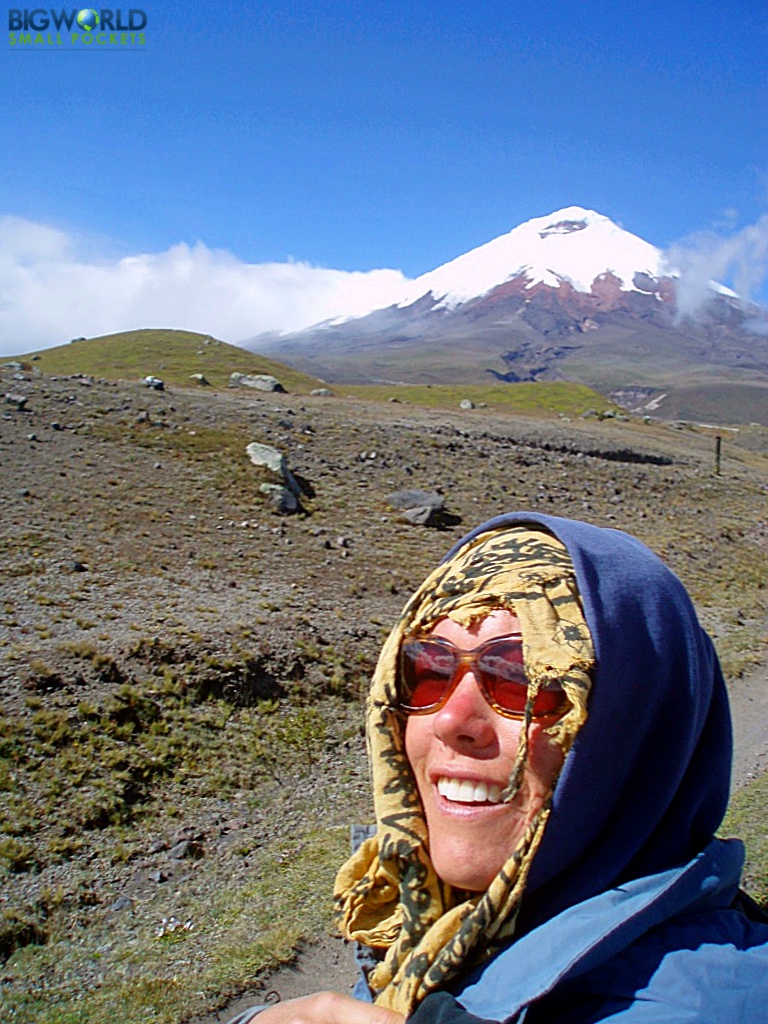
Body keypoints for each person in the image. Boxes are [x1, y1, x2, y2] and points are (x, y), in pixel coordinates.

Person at [226, 512, 768, 1024]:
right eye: (429, 669)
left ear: (638, 726)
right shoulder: (448, 928)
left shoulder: (699, 1003)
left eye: (523, 679)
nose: (451, 720)